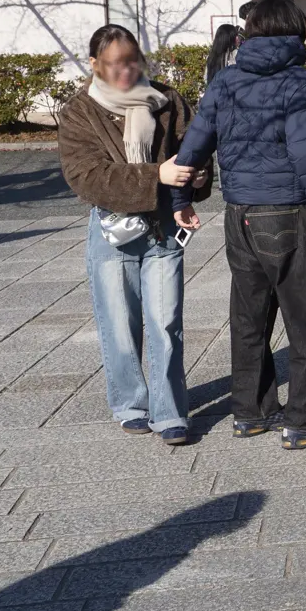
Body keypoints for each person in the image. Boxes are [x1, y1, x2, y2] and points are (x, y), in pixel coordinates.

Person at [172, 0, 306, 451]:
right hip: (287, 212)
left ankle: (251, 411)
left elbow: (193, 144)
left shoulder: (226, 80)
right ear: (295, 33)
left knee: (249, 316)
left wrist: (179, 196)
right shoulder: (300, 82)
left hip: (239, 214)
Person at [58, 25, 206, 445]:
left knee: (165, 322)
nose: (126, 71)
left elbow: (196, 150)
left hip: (163, 227)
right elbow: (87, 177)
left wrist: (188, 188)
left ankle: (170, 412)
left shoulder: (166, 100)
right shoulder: (79, 112)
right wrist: (155, 173)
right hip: (112, 230)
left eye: (132, 62)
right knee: (119, 325)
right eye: (115, 64)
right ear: (94, 65)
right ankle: (130, 403)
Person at [205, 22, 241, 87]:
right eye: (236, 36)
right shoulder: (236, 54)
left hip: (213, 94)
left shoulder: (211, 57)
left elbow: (206, 78)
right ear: (228, 38)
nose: (238, 38)